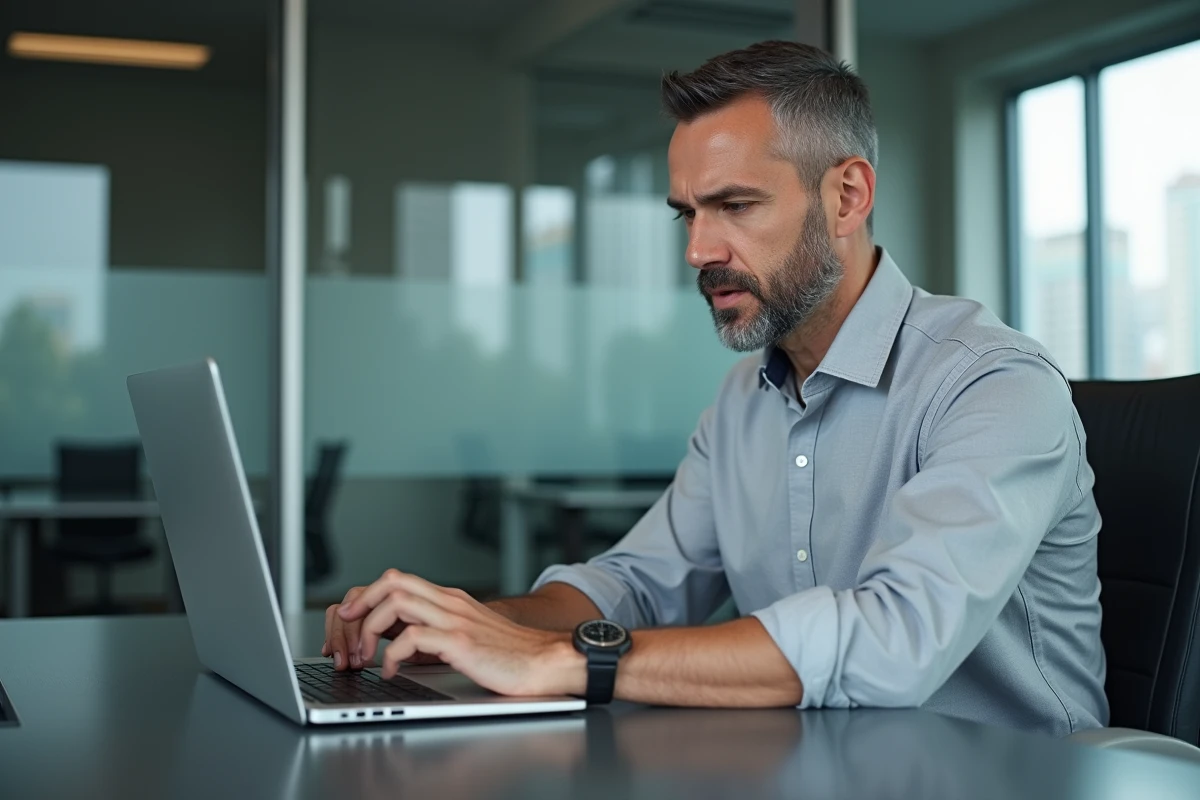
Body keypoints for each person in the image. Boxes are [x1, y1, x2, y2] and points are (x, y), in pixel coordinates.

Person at [323, 40, 1108, 736]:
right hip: (815, 768)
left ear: (847, 196)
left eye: (734, 205)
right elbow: (635, 588)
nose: (699, 250)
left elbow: (893, 638)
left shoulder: (993, 384)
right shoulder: (743, 402)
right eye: (687, 215)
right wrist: (464, 626)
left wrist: (568, 662)